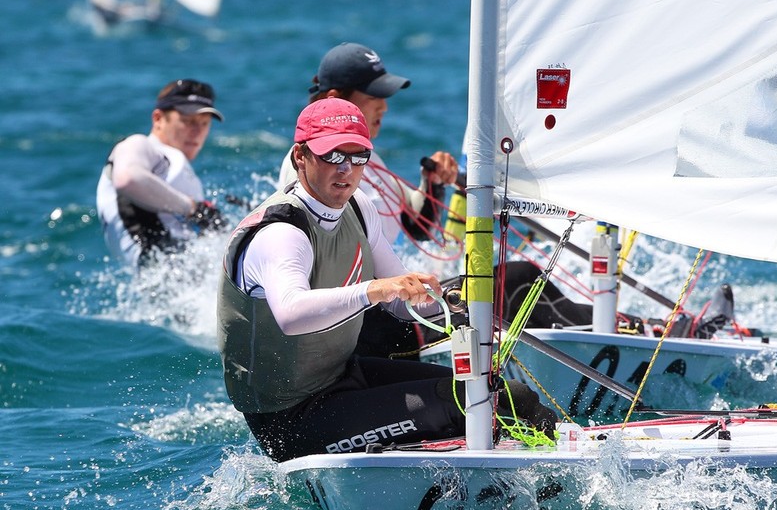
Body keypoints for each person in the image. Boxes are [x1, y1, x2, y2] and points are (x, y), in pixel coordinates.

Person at [218, 98, 555, 462]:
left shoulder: (358, 208)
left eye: (358, 156)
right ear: (300, 156)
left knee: (501, 393)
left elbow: (400, 301)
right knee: (483, 404)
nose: (346, 169)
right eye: (332, 156)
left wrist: (452, 302)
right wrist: (373, 290)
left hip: (343, 378)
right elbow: (291, 314)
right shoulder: (282, 233)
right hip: (290, 419)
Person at [277, 42, 459, 244]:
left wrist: (432, 183)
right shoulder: (308, 164)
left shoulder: (371, 160)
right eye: (374, 96)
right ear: (334, 99)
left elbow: (418, 226)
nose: (384, 107)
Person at [96, 78, 227, 267]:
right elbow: (127, 179)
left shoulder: (171, 165)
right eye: (188, 121)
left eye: (204, 123)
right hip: (164, 271)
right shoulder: (139, 145)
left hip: (174, 278)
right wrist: (193, 209)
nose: (197, 132)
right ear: (158, 119)